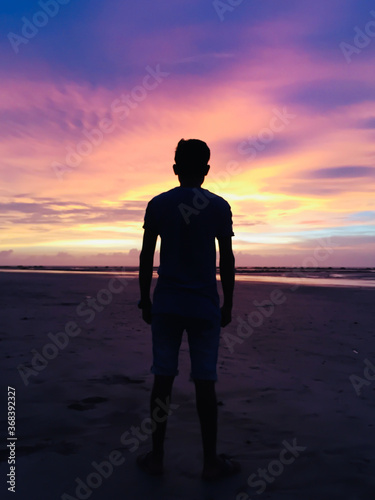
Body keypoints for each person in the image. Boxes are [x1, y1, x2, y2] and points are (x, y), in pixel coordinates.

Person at [137, 138, 240, 480]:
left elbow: (146, 256)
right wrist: (228, 302)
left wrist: (145, 297)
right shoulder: (219, 206)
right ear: (207, 170)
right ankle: (210, 462)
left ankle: (157, 457)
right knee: (205, 382)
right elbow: (226, 258)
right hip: (203, 305)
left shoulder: (159, 204)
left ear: (176, 169)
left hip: (167, 302)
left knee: (163, 378)